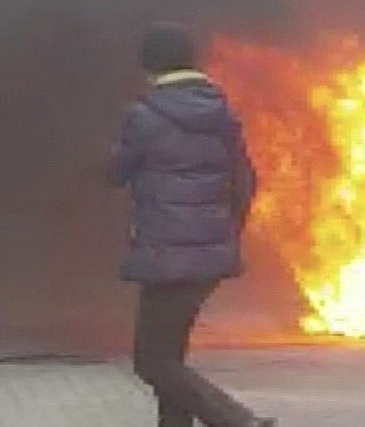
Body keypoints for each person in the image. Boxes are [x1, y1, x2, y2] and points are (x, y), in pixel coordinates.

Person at [108, 23, 274, 427]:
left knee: (151, 361)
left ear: (148, 65)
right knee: (170, 357)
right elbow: (246, 181)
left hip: (166, 252)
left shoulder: (144, 116)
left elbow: (117, 172)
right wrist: (224, 232)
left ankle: (238, 421)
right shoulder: (223, 113)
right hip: (210, 252)